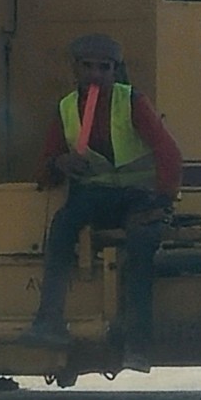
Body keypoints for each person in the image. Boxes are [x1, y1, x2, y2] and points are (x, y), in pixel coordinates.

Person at [21, 33, 182, 369]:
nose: (96, 75)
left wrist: (162, 202)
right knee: (62, 227)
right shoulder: (66, 108)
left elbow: (169, 152)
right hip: (93, 198)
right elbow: (44, 169)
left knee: (142, 248)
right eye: (88, 67)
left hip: (138, 199)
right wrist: (60, 163)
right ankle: (49, 320)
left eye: (104, 68)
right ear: (75, 70)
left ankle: (137, 345)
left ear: (115, 71)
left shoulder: (132, 102)